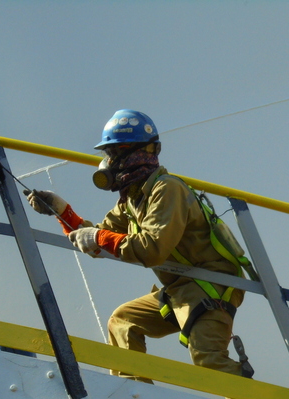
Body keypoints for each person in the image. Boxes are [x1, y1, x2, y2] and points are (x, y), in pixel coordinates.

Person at [25, 109, 250, 383]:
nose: (110, 161)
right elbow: (98, 239)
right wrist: (62, 211)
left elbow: (151, 249)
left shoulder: (166, 189)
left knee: (209, 361)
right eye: (108, 153)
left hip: (210, 284)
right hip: (181, 287)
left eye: (115, 152)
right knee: (123, 320)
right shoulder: (132, 200)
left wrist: (98, 238)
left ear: (141, 152)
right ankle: (135, 395)